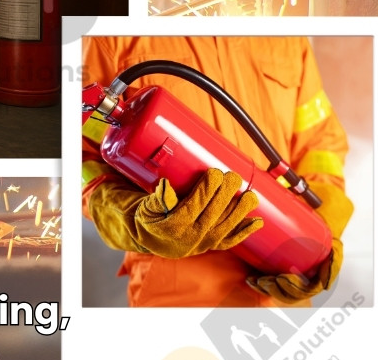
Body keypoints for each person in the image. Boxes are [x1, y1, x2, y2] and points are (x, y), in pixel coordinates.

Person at [81, 36, 353, 307]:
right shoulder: (112, 38)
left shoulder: (287, 39)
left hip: (281, 286)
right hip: (179, 297)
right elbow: (81, 162)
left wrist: (321, 221)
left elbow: (320, 143)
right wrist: (137, 221)